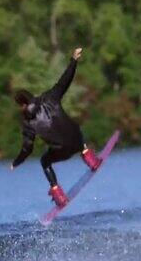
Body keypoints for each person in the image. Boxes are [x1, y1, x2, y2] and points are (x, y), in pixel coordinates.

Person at [10, 47, 101, 208]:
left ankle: (57, 193)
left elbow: (27, 149)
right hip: (76, 140)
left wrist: (16, 163)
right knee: (75, 128)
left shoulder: (28, 123)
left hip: (62, 150)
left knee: (44, 161)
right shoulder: (50, 97)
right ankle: (89, 158)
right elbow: (65, 80)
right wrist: (74, 60)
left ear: (22, 105)